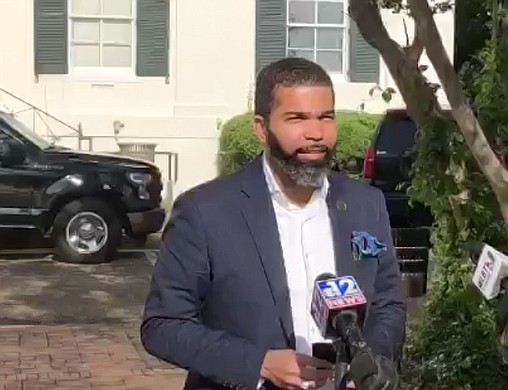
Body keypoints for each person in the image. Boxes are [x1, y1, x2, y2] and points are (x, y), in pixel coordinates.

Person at [141, 57, 407, 390]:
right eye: (297, 118)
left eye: (326, 117)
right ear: (261, 128)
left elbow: (388, 304)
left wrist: (373, 359)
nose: (315, 134)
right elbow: (163, 325)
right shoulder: (205, 211)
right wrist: (259, 363)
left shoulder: (366, 204)